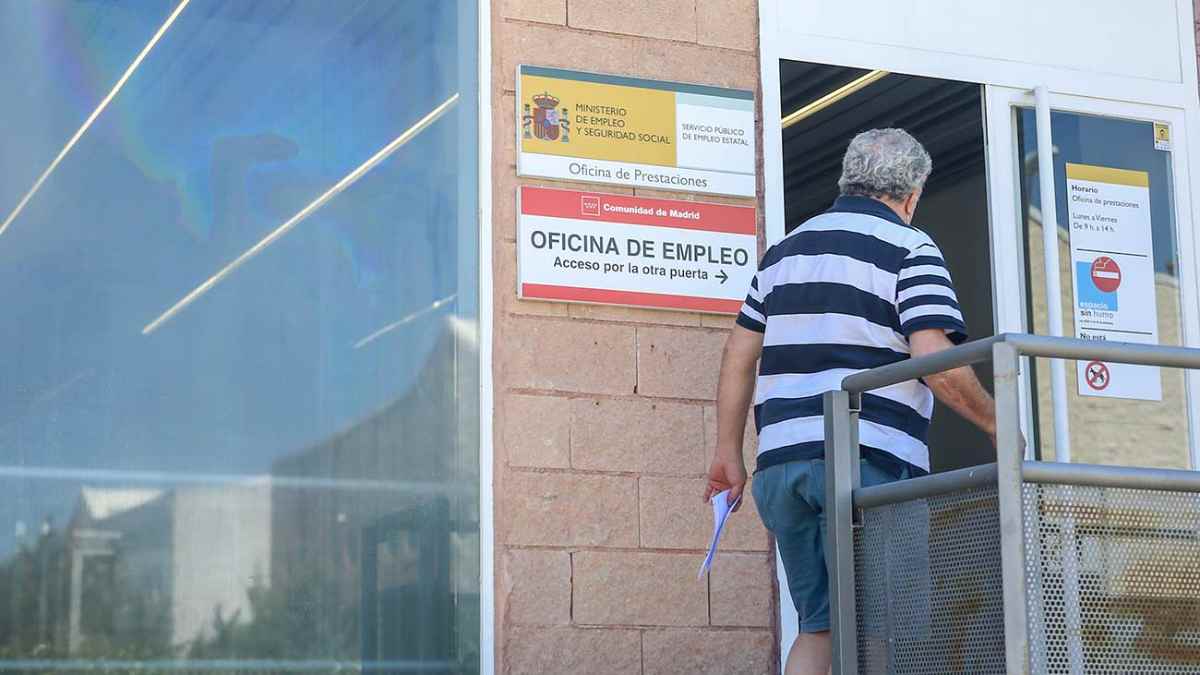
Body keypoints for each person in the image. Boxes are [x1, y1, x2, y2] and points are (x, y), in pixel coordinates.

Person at [703, 128, 998, 675]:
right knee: (881, 633)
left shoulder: (783, 253)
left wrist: (728, 454)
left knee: (819, 627)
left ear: (847, 180)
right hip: (867, 464)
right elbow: (935, 359)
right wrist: (998, 424)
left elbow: (739, 355)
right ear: (912, 195)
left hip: (782, 469)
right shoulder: (911, 248)